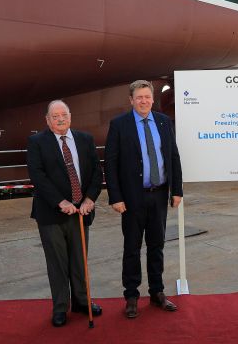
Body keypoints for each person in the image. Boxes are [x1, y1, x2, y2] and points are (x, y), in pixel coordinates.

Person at [105, 80, 183, 319]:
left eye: (147, 97)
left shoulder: (163, 121)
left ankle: (157, 292)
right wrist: (115, 197)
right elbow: (111, 163)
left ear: (152, 99)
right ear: (131, 100)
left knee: (157, 246)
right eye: (139, 97)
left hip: (159, 195)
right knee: (132, 248)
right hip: (132, 198)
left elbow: (173, 156)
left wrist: (177, 190)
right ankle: (131, 296)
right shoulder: (119, 124)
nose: (144, 101)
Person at [27, 100, 103, 327]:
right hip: (51, 215)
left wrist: (90, 199)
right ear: (47, 120)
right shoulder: (37, 142)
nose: (60, 119)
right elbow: (37, 176)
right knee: (57, 264)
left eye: (64, 115)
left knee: (80, 262)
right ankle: (60, 307)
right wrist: (60, 202)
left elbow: (96, 172)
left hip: (80, 212)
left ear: (70, 116)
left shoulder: (85, 139)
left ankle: (82, 301)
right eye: (55, 116)